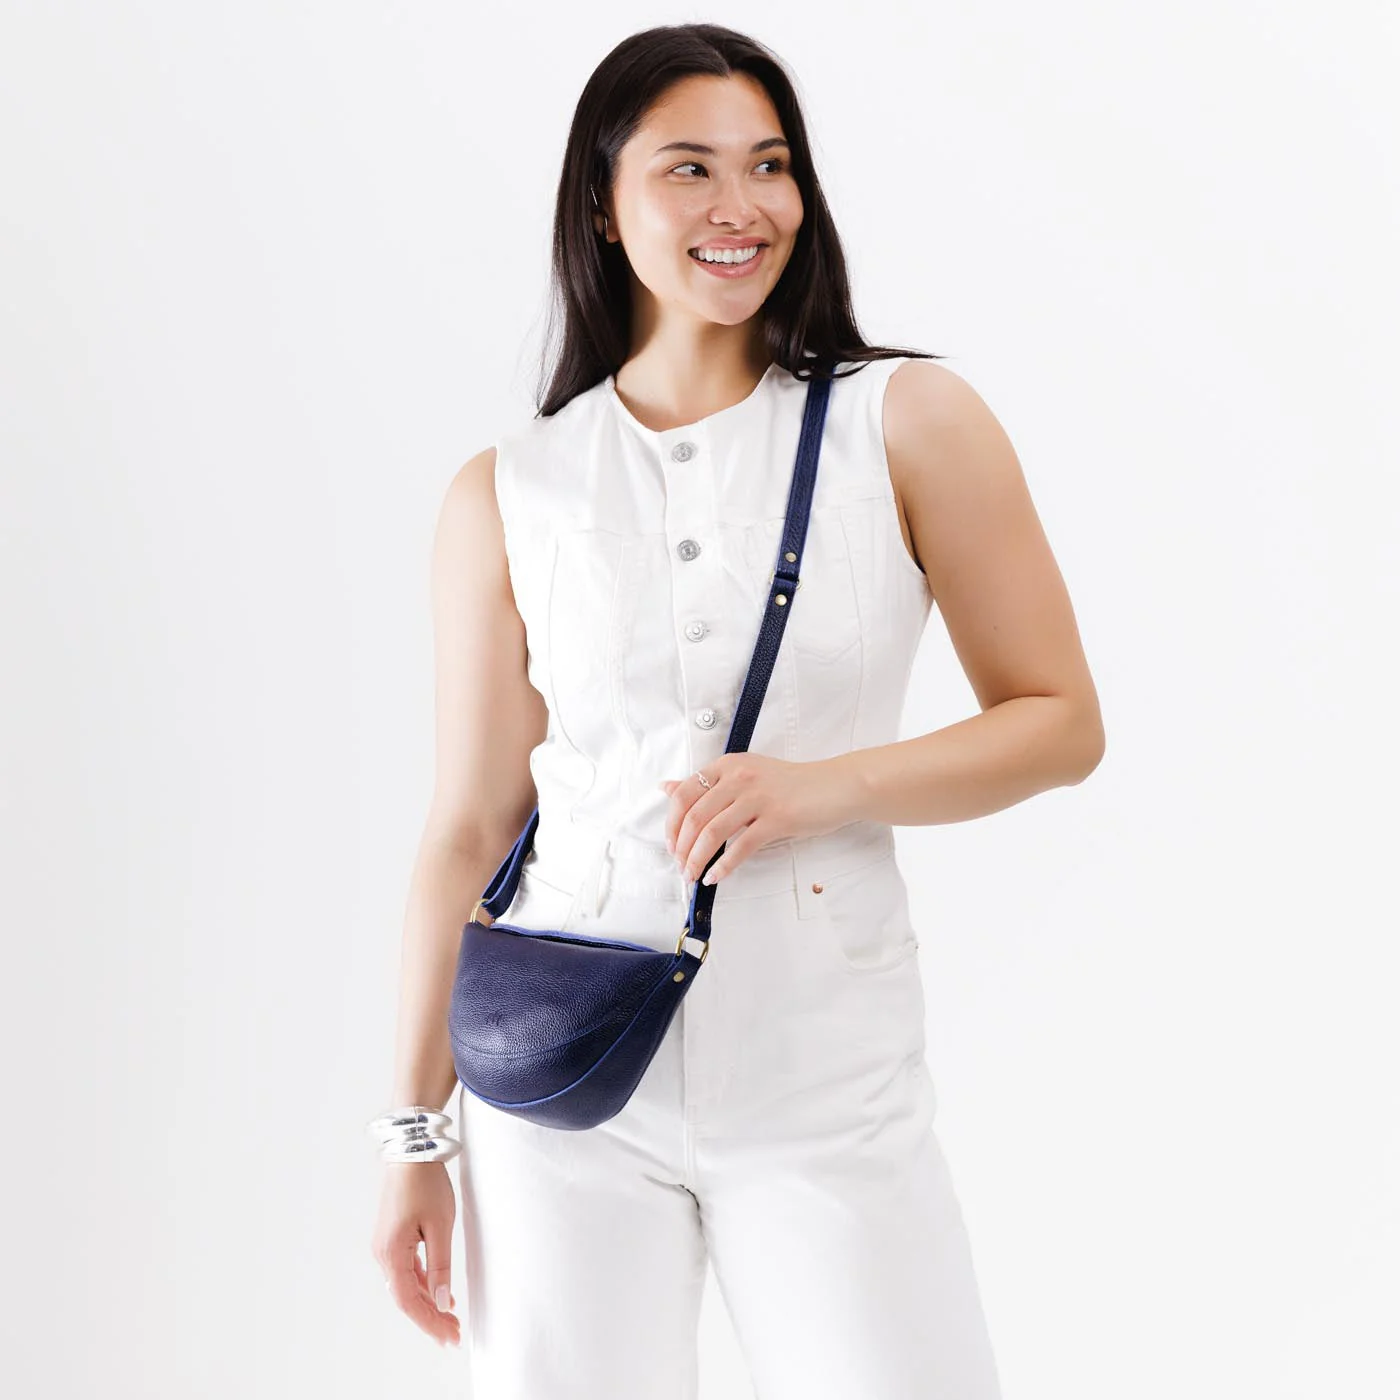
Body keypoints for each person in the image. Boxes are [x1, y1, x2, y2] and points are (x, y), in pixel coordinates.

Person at [369, 21, 1104, 1400]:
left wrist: (822, 789)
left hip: (824, 1062)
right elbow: (468, 827)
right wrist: (417, 1133)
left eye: (771, 166)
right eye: (689, 169)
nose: (742, 206)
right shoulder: (511, 489)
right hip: (564, 1069)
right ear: (604, 204)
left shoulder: (907, 420)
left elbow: (1060, 720)